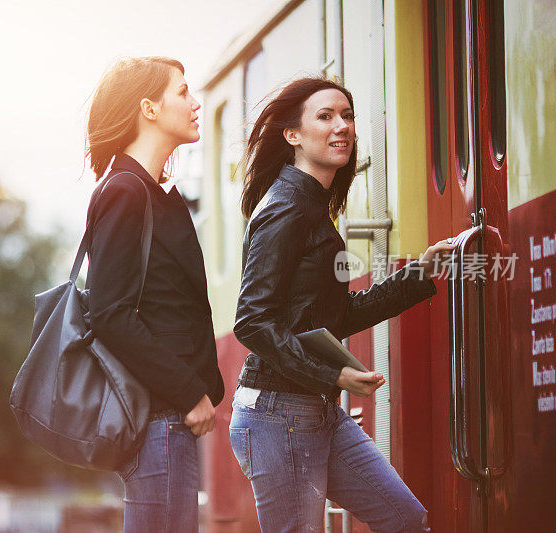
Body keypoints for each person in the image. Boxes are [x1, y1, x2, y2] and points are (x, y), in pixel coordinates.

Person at [229, 77, 454, 532]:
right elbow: (252, 320)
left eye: (347, 116)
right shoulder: (286, 207)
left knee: (405, 519)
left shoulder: (312, 206)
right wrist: (330, 373)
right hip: (279, 413)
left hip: (316, 409)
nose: (342, 127)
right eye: (325, 116)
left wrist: (421, 273)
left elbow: (338, 315)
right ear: (292, 135)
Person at [84, 56, 225, 533]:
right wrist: (188, 392)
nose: (194, 102)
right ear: (148, 108)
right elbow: (110, 313)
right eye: (182, 92)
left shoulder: (148, 190)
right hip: (159, 416)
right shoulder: (126, 190)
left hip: (165, 417)